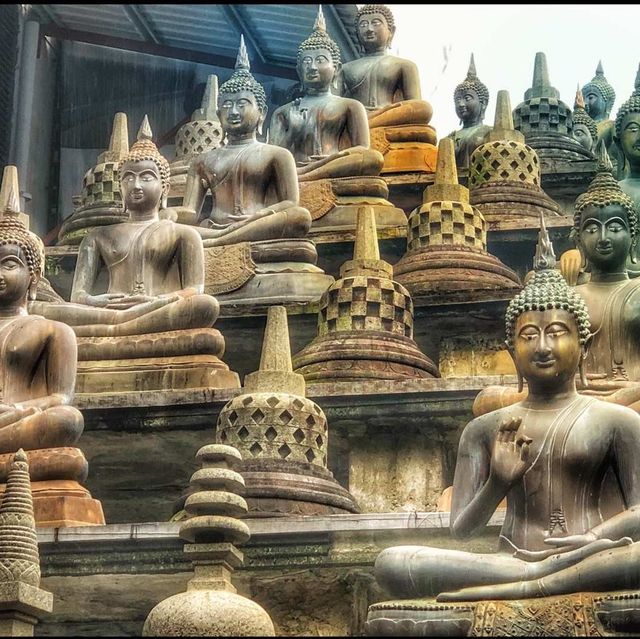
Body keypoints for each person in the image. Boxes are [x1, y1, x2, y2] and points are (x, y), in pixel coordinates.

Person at [374, 220, 640, 602]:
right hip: (511, 560)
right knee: (394, 562)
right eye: (529, 336)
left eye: (557, 332)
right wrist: (498, 482)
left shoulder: (619, 421)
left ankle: (545, 579)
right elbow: (462, 530)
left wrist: (596, 536)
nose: (543, 346)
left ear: (583, 344)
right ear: (512, 351)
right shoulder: (485, 429)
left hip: (592, 552)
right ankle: (538, 575)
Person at [166, 37, 311, 248]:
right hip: (214, 225)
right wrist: (170, 213)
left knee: (300, 216)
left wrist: (257, 217)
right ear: (218, 113)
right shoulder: (202, 161)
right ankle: (223, 236)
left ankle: (222, 239)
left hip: (257, 223)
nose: (233, 111)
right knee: (169, 229)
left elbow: (290, 203)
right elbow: (191, 212)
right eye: (226, 105)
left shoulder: (277, 155)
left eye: (242, 104)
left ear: (262, 113)